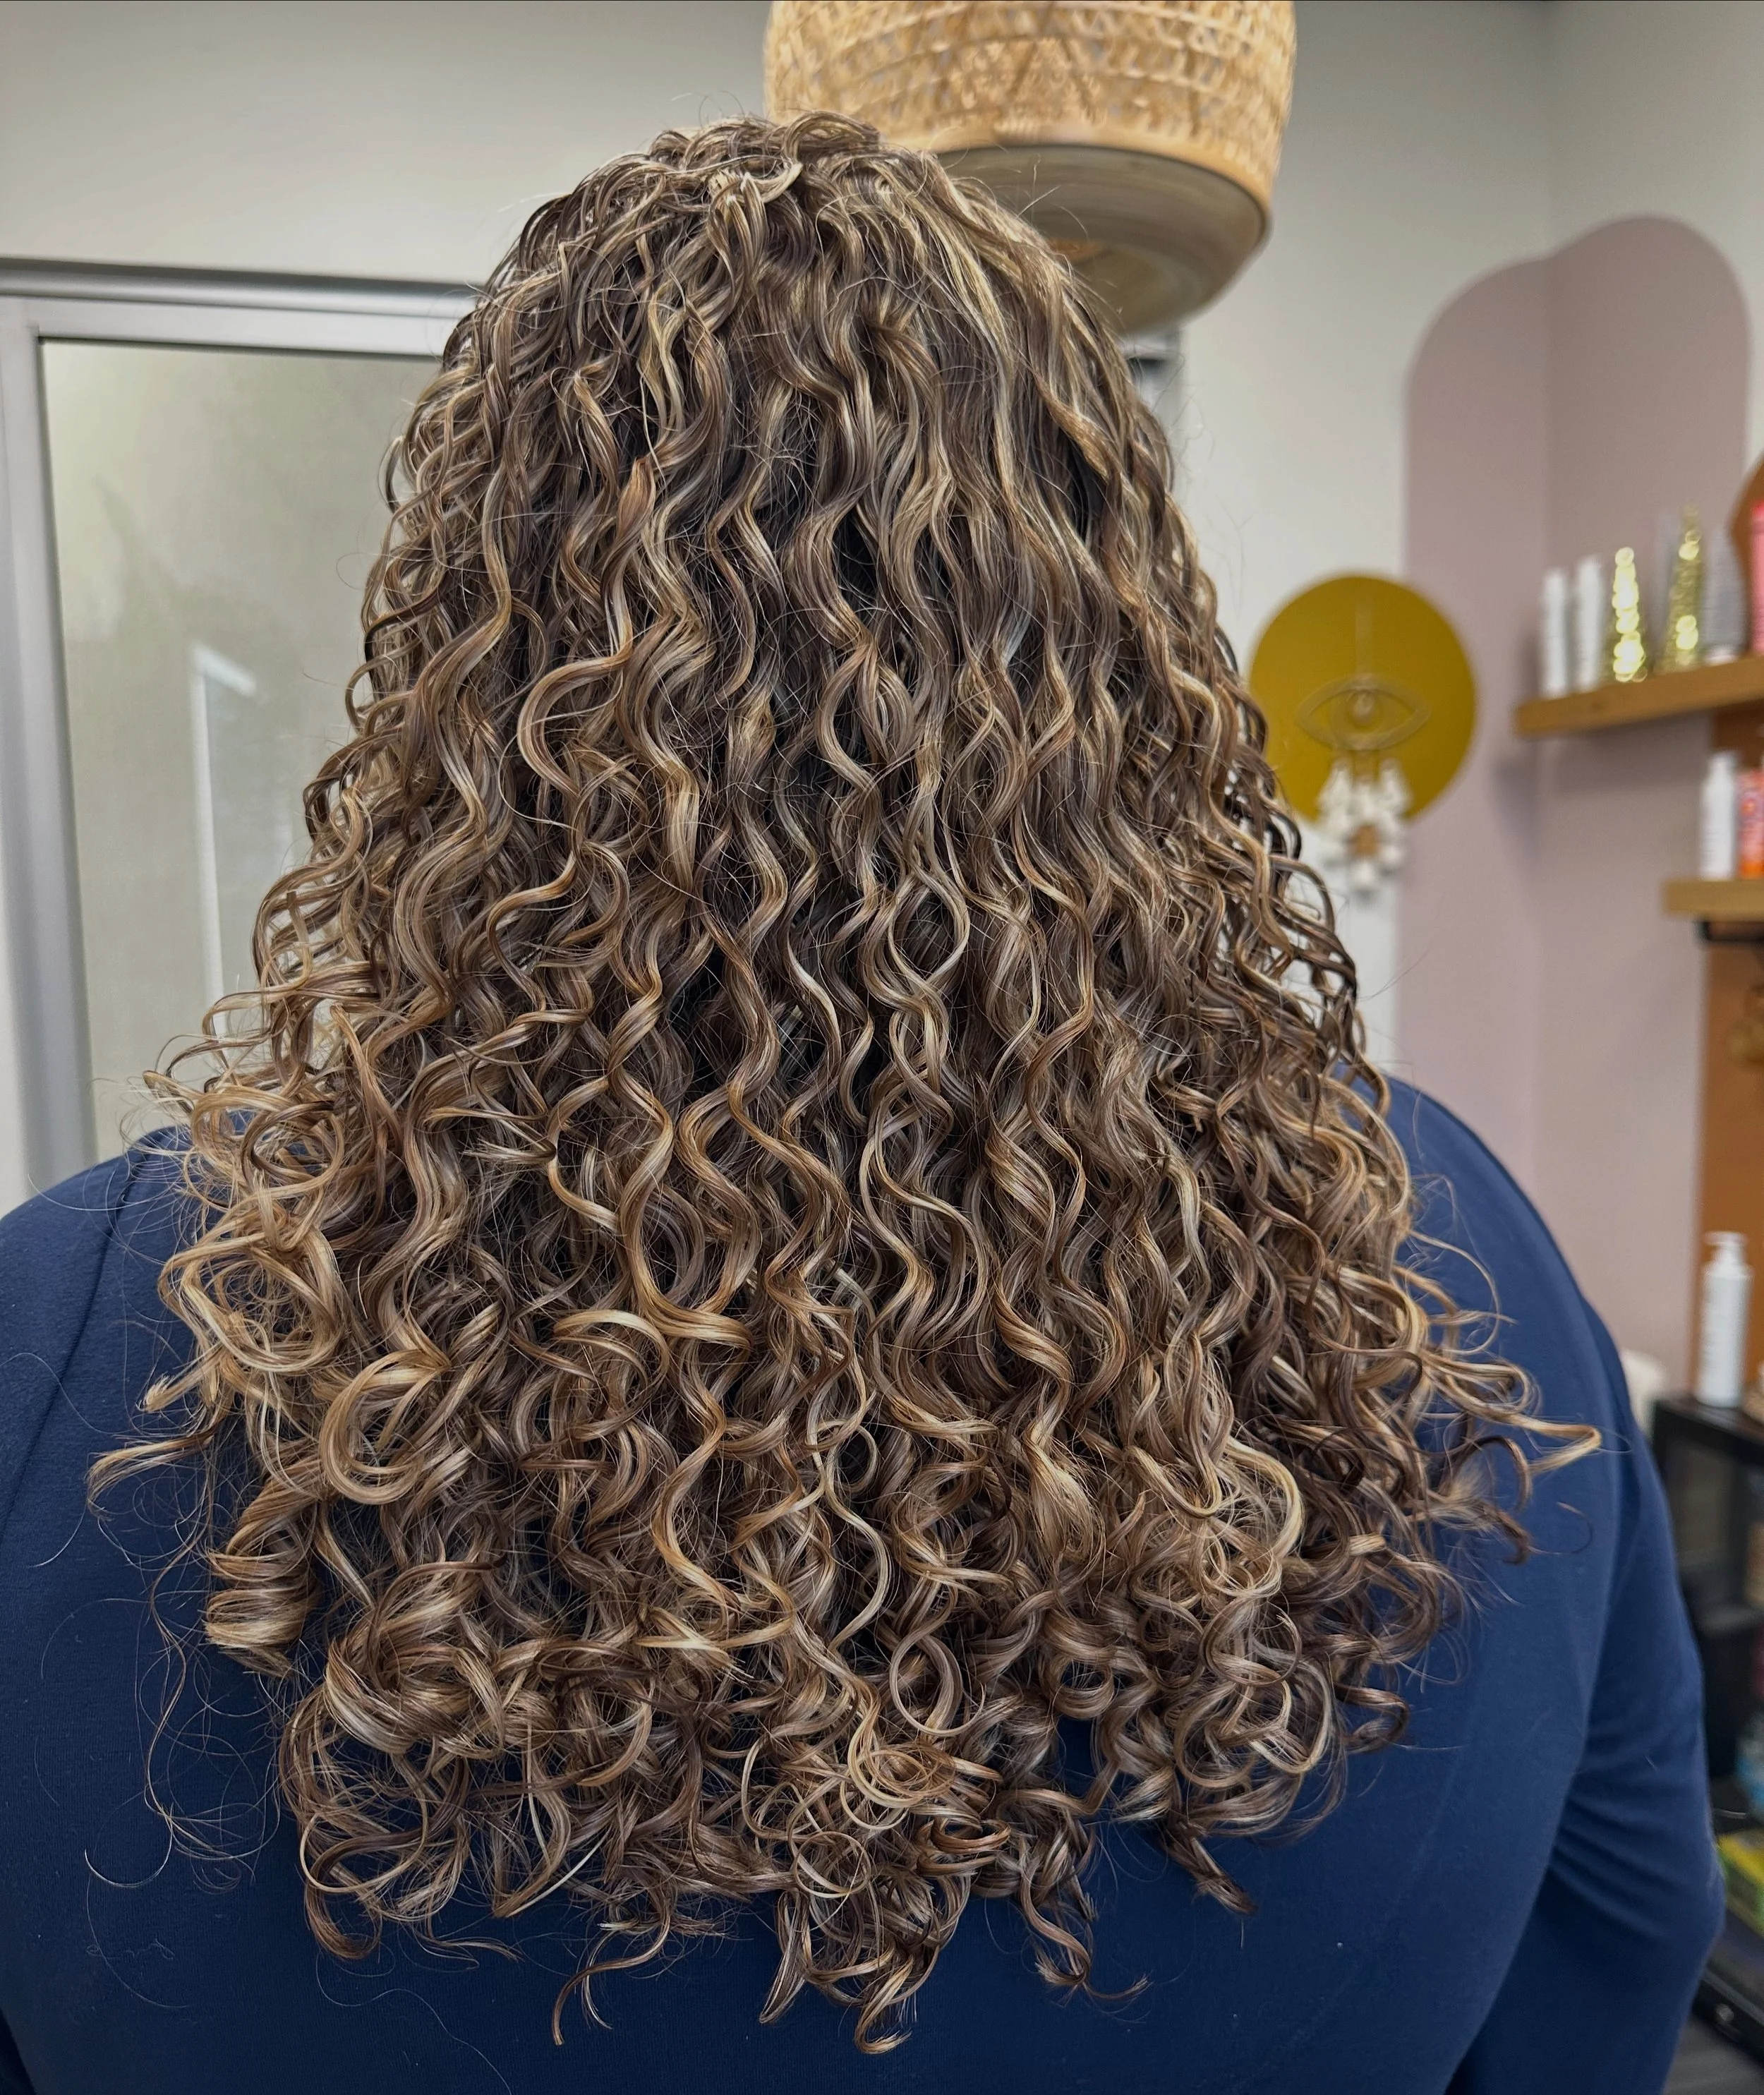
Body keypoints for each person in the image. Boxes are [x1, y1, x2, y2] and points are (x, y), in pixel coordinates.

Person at [0, 115, 1720, 2095]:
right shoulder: (1460, 1260)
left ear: (473, 657)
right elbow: (1620, 1925)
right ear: (1120, 635)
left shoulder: (66, 1349)